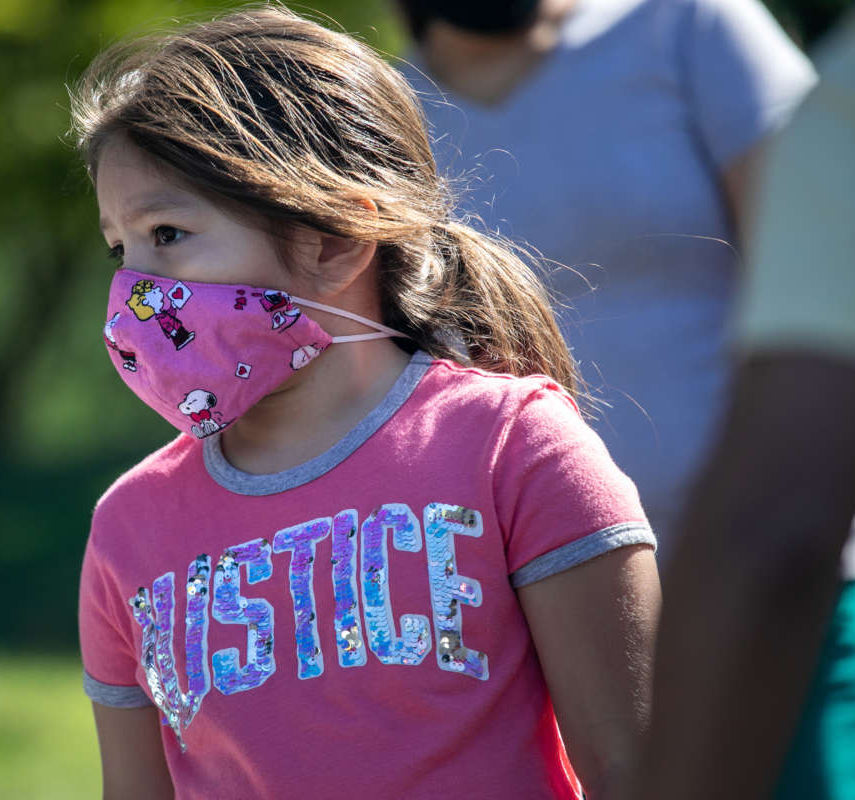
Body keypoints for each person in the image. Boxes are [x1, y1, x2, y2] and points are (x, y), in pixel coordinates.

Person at [72, 7, 661, 798]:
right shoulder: (127, 528)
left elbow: (639, 771)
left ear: (337, 239)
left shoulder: (513, 449)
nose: (135, 290)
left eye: (168, 233)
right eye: (122, 247)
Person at [397, 0, 816, 562]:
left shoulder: (687, 23)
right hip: (551, 593)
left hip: (776, 553)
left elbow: (818, 262)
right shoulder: (381, 116)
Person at [632, 11, 855, 799]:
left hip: (783, 615)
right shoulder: (404, 95)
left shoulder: (690, 28)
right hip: (623, 625)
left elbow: (777, 521)